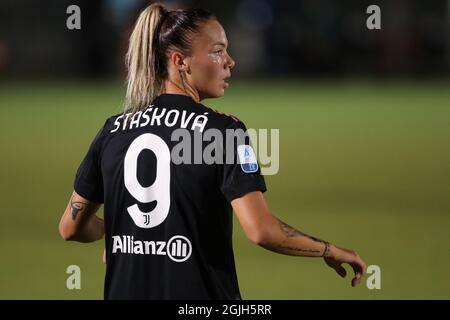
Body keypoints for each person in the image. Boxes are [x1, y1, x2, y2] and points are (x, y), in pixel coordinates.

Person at [58, 3, 366, 300]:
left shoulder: (114, 130)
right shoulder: (221, 132)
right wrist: (328, 249)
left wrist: (123, 234)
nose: (230, 61)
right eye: (218, 51)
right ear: (180, 61)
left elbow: (70, 227)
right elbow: (262, 231)